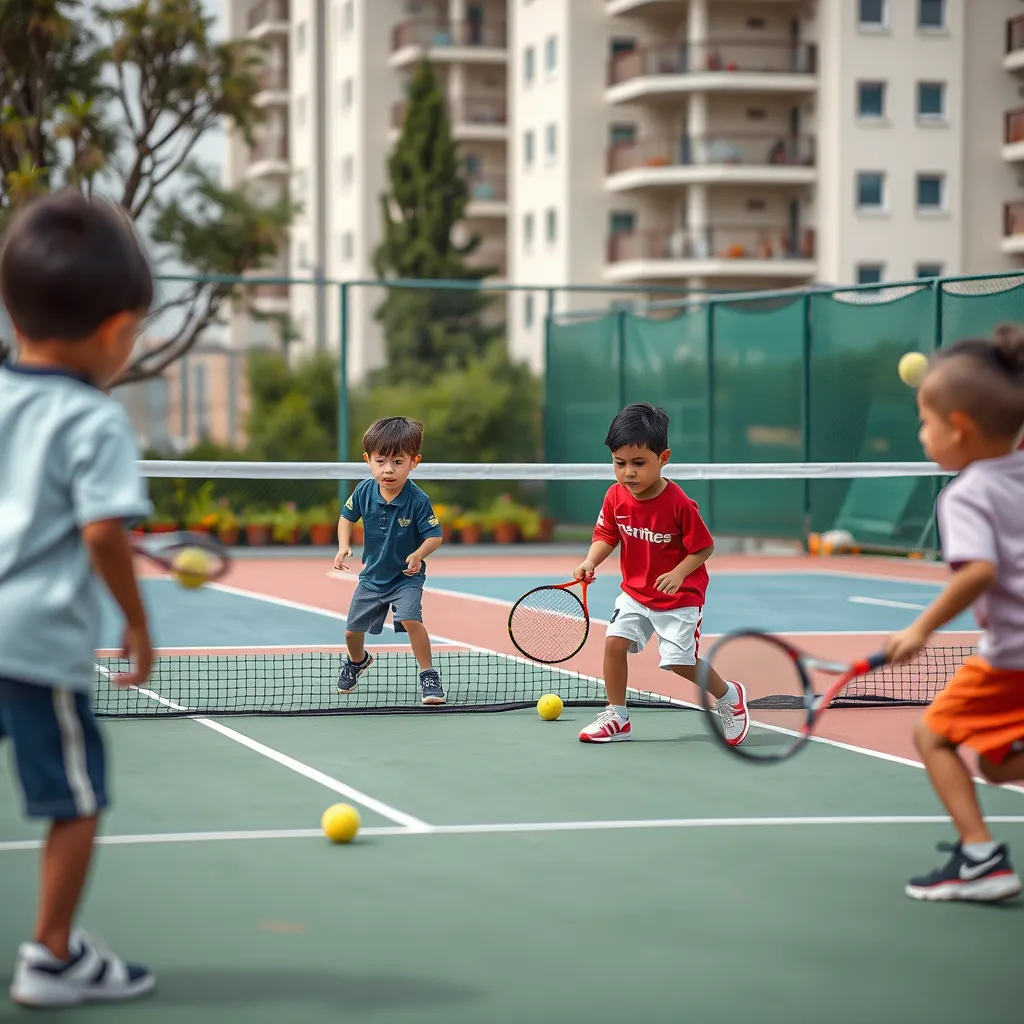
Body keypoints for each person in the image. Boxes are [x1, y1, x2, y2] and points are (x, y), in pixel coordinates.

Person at [0, 191, 156, 1006]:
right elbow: (103, 536)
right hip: (32, 646)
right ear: (113, 332)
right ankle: (54, 956)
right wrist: (135, 619)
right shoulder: (93, 421)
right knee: (78, 795)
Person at [886, 326, 1024, 902]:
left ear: (959, 426)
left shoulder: (965, 495)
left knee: (933, 735)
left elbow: (978, 572)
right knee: (996, 764)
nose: (923, 434)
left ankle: (980, 859)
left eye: (926, 421)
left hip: (1010, 658)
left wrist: (921, 627)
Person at [572, 403, 750, 744]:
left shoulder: (679, 504)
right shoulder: (614, 497)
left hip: (679, 597)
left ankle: (729, 697)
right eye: (619, 463)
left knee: (680, 663)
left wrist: (680, 573)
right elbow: (607, 534)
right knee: (613, 644)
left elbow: (704, 547)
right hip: (636, 593)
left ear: (663, 458)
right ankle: (618, 716)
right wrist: (591, 561)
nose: (628, 473)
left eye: (639, 464)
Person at [334, 416, 446, 705]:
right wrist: (343, 545)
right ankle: (357, 661)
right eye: (381, 461)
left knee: (410, 618)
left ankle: (429, 675)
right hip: (371, 576)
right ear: (368, 460)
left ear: (414, 462)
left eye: (398, 462)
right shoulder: (363, 491)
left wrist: (419, 554)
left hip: (406, 576)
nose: (388, 469)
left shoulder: (418, 500)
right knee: (351, 631)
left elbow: (435, 535)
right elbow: (346, 518)